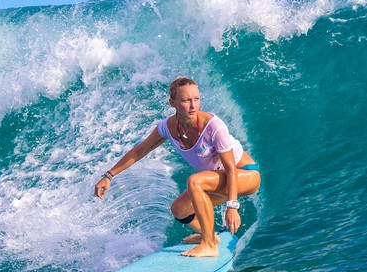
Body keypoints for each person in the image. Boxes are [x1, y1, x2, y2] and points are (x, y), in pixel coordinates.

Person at [94, 77, 261, 257]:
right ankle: (210, 235)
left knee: (195, 181)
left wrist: (232, 206)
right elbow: (139, 151)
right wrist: (109, 175)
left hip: (246, 175)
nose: (193, 106)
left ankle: (209, 245)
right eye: (186, 100)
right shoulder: (167, 127)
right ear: (172, 103)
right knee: (180, 210)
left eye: (196, 99)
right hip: (218, 179)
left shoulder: (213, 126)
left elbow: (229, 168)